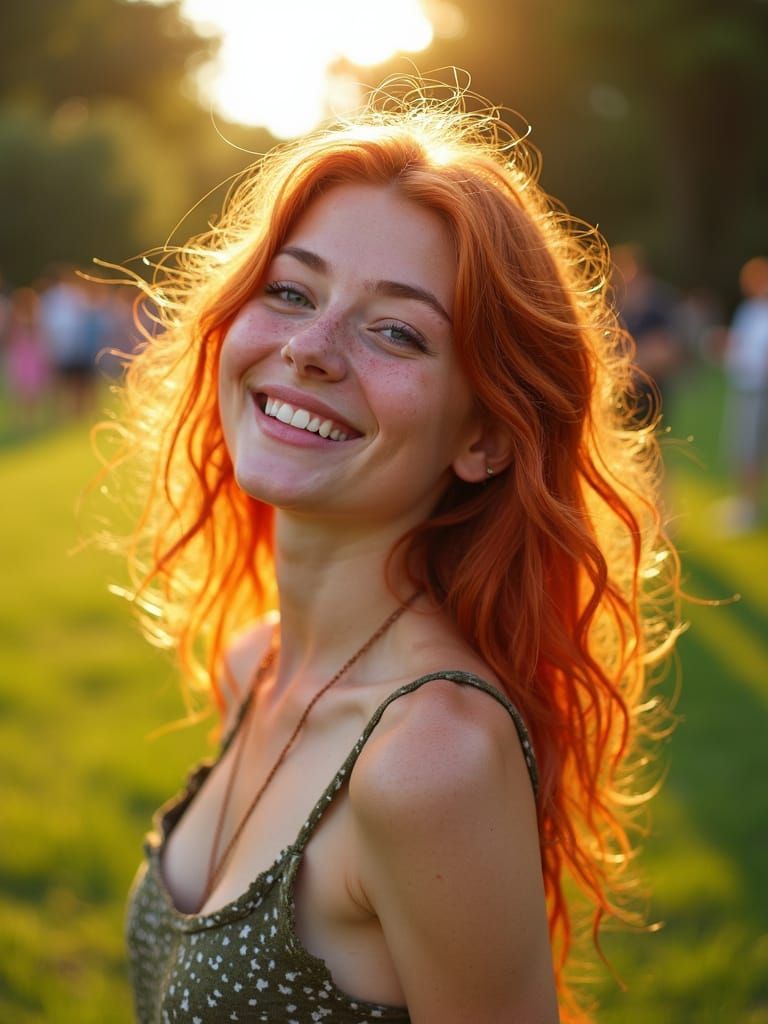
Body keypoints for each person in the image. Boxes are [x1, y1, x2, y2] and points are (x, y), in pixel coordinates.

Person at [109, 84, 679, 1023]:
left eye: (397, 331)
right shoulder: (252, 663)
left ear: (486, 438)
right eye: (290, 291)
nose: (309, 348)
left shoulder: (431, 760)